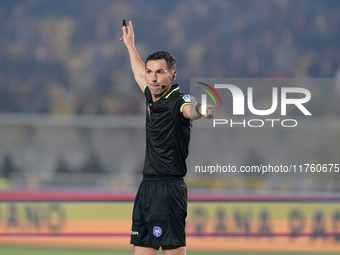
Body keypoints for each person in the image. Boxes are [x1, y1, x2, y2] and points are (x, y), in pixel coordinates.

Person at [120, 20, 215, 255]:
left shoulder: (178, 100)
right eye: (150, 72)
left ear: (172, 75)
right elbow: (137, 72)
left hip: (169, 189)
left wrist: (202, 110)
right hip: (147, 188)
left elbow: (190, 110)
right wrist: (130, 46)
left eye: (159, 73)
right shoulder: (151, 96)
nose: (152, 78)